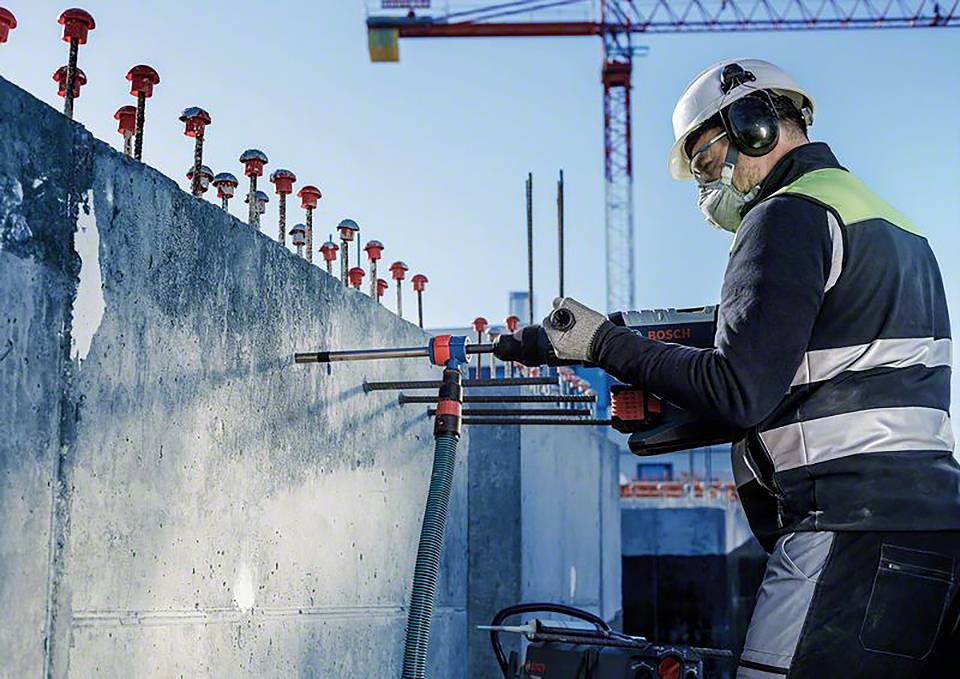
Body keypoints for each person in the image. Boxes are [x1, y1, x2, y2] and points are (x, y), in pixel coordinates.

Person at [493, 59, 960, 677]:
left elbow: (738, 390)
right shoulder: (895, 229)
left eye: (708, 164)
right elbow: (817, 379)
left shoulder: (787, 215)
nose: (708, 188)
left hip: (846, 528)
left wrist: (603, 343)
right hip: (930, 529)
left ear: (753, 126)